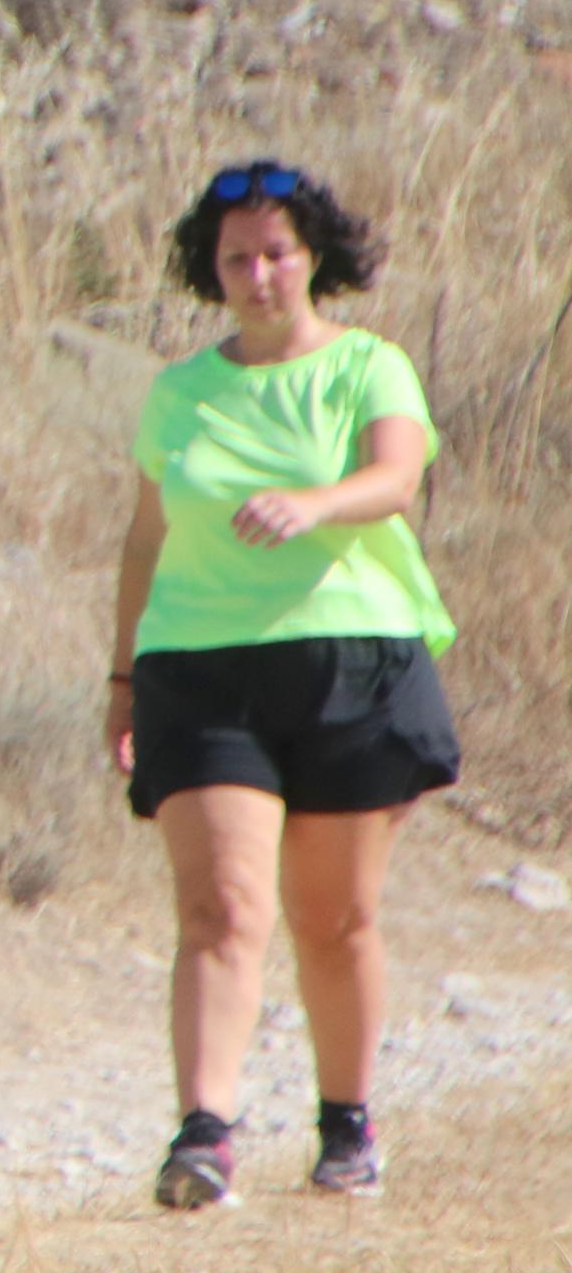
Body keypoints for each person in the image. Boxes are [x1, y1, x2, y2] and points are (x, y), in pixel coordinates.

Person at [108, 162, 455, 1209]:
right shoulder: (178, 391)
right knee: (217, 906)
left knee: (332, 917)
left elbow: (395, 477)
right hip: (199, 666)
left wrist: (317, 502)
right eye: (233, 258)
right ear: (207, 270)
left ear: (313, 259)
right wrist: (120, 675)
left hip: (350, 656)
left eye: (273, 253)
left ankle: (344, 1120)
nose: (255, 275)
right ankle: (202, 1132)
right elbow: (140, 539)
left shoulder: (365, 366)